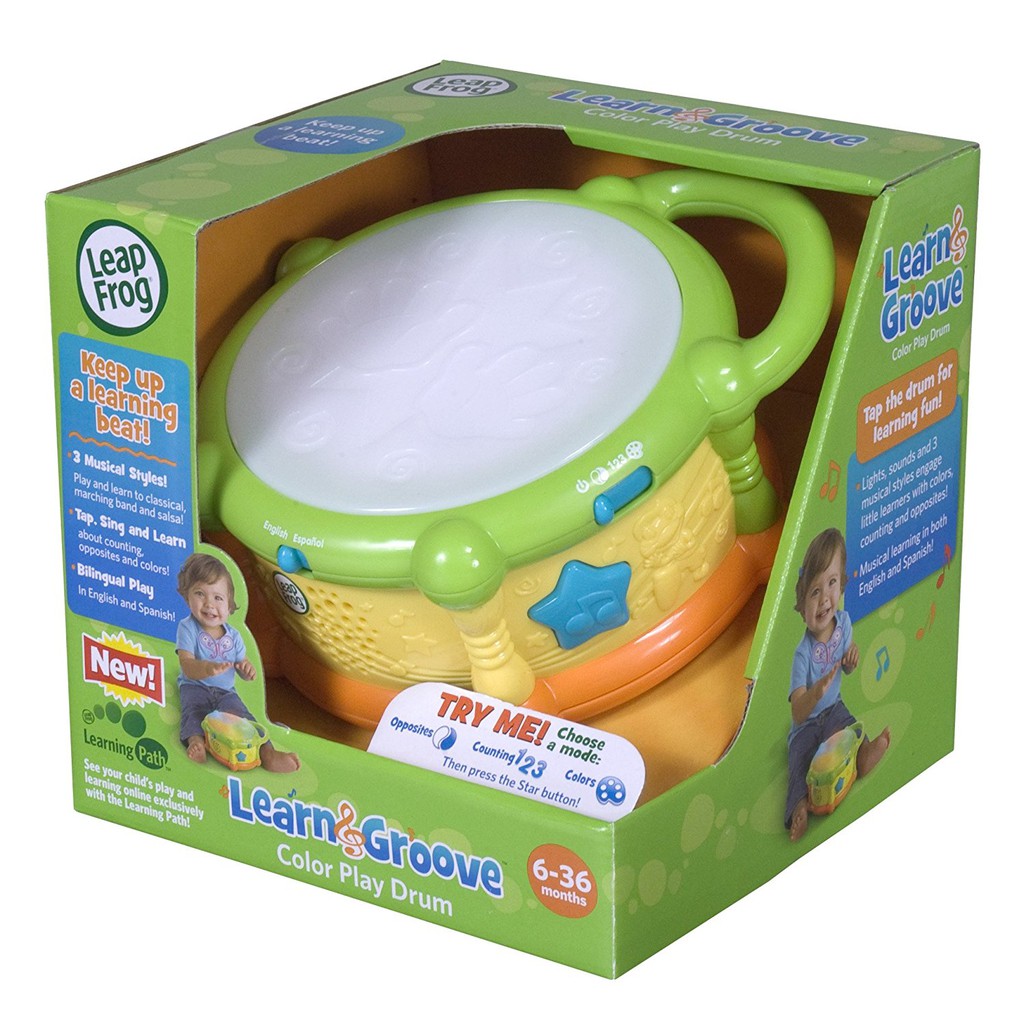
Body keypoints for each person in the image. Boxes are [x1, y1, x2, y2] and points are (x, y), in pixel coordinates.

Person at [786, 528, 888, 841]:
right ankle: (799, 807)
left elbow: (848, 664)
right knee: (799, 762)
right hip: (806, 727)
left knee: (849, 730)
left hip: (834, 710)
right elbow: (798, 712)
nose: (824, 599)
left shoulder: (843, 624)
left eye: (832, 583)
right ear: (802, 604)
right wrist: (815, 691)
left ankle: (863, 754)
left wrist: (851, 659)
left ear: (842, 584)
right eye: (815, 591)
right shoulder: (802, 654)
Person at [175, 553, 299, 773]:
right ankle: (196, 742)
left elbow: (241, 662)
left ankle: (267, 754)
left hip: (226, 692)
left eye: (218, 598)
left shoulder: (233, 636)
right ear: (187, 596)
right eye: (200, 594)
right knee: (193, 712)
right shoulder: (187, 627)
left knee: (246, 720)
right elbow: (186, 664)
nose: (209, 604)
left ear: (230, 605)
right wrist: (206, 668)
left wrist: (246, 670)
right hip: (194, 687)